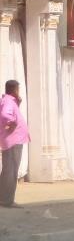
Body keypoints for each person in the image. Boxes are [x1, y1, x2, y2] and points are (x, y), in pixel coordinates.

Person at [0, 80, 28, 209]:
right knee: (11, 171)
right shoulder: (9, 101)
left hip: (12, 140)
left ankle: (3, 199)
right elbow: (5, 114)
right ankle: (7, 201)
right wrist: (13, 123)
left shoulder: (9, 101)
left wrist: (18, 102)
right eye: (17, 89)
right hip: (13, 141)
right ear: (14, 89)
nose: (18, 91)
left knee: (8, 171)